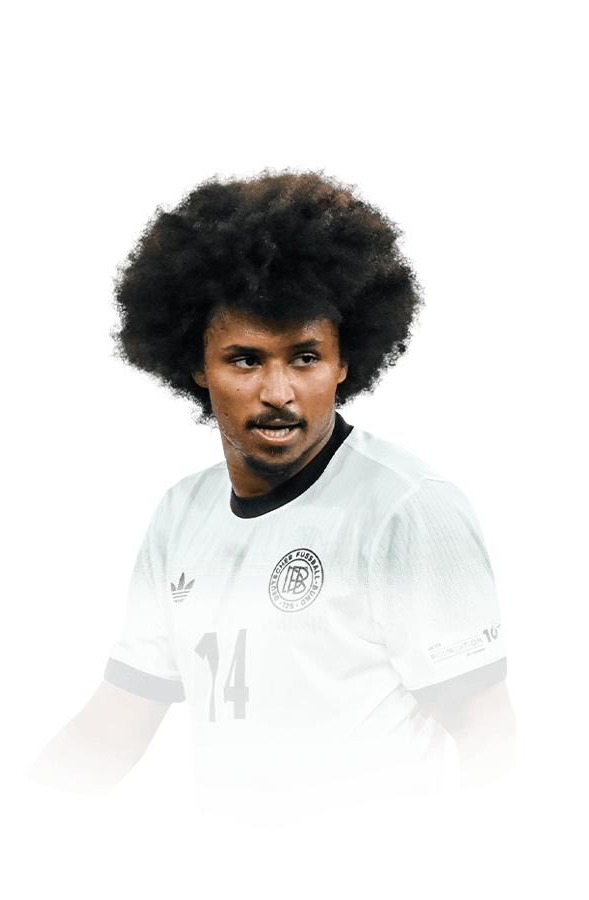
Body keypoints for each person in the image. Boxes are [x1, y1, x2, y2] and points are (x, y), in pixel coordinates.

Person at [25, 162, 517, 831]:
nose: (278, 393)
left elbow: (486, 730)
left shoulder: (403, 507)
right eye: (246, 359)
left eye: (305, 357)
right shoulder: (179, 515)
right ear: (196, 366)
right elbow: (120, 715)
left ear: (344, 362)